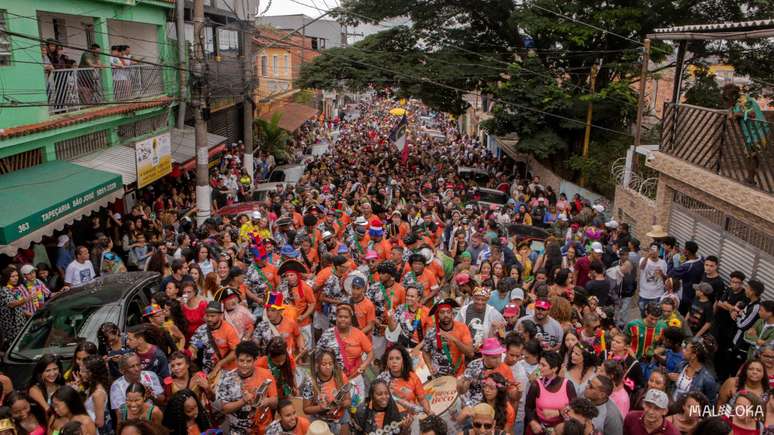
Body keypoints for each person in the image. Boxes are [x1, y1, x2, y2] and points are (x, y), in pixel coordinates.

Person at [214, 340, 278, 435]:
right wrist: (243, 401)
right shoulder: (226, 378)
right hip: (237, 430)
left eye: (248, 361)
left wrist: (266, 401)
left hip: (264, 429)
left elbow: (276, 402)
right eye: (241, 361)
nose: (244, 365)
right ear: (236, 360)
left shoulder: (266, 374)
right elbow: (224, 408)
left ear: (255, 360)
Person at [525, 351, 577, 434]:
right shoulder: (536, 385)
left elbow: (575, 409)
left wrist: (559, 413)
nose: (539, 367)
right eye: (540, 364)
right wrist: (532, 422)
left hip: (560, 430)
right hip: (539, 429)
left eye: (543, 365)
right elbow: (528, 407)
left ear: (554, 369)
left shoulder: (567, 385)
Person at [317, 304, 374, 378]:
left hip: (354, 376)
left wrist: (364, 364)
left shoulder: (358, 334)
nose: (343, 319)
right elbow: (318, 353)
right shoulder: (327, 334)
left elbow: (370, 352)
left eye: (346, 317)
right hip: (333, 377)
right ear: (336, 318)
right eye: (340, 316)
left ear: (351, 319)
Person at [188, 301, 239, 382]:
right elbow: (195, 345)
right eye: (207, 316)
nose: (209, 319)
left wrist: (220, 364)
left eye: (212, 316)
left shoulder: (229, 329)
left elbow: (236, 351)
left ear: (221, 316)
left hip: (227, 370)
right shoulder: (202, 329)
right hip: (208, 370)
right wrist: (193, 351)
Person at [300, 349, 351, 430]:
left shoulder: (340, 376)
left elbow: (348, 400)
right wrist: (320, 408)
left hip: (341, 418)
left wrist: (340, 404)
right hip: (320, 421)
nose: (328, 367)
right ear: (317, 365)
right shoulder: (310, 383)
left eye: (330, 364)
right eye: (324, 364)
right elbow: (306, 409)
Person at [422, 299, 474, 377]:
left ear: (452, 314)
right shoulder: (431, 332)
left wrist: (454, 339)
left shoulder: (462, 327)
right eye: (442, 312)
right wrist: (430, 367)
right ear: (437, 315)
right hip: (439, 376)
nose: (446, 315)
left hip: (458, 373)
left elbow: (470, 354)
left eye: (448, 312)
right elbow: (425, 352)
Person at [377, 345, 431, 414]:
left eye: (397, 358)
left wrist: (428, 412)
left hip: (413, 415)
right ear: (387, 362)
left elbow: (422, 399)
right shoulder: (381, 380)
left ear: (403, 361)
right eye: (390, 359)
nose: (394, 362)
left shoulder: (412, 377)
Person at [671, 336, 719, 405]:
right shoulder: (681, 366)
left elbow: (710, 406)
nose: (682, 350)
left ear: (693, 356)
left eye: (686, 349)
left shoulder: (708, 380)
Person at [81, 356, 113, 435]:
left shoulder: (98, 393)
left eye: (83, 371)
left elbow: (99, 422)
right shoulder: (92, 387)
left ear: (92, 373)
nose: (80, 373)